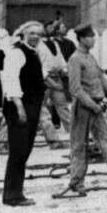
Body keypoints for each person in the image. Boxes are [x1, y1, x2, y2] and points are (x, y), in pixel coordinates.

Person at [59, 24, 107, 197]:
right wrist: (93, 106)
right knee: (79, 145)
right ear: (81, 39)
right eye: (90, 36)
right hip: (83, 108)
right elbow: (75, 89)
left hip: (96, 107)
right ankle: (76, 182)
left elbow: (102, 82)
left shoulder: (91, 58)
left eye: (93, 36)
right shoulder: (75, 59)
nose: (93, 39)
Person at [0, 22, 46, 207]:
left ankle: (15, 192)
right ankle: (12, 196)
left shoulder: (33, 53)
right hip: (20, 106)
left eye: (38, 34)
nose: (35, 36)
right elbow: (10, 80)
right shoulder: (16, 53)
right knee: (18, 151)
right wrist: (19, 107)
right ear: (23, 34)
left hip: (31, 106)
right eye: (32, 33)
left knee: (24, 150)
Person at [40, 18, 73, 146]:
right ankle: (52, 140)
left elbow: (60, 60)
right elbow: (38, 65)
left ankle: (75, 136)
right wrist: (47, 79)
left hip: (56, 77)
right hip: (44, 80)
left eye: (53, 27)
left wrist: (65, 71)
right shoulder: (37, 45)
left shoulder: (54, 43)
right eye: (48, 27)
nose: (51, 29)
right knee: (41, 110)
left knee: (63, 107)